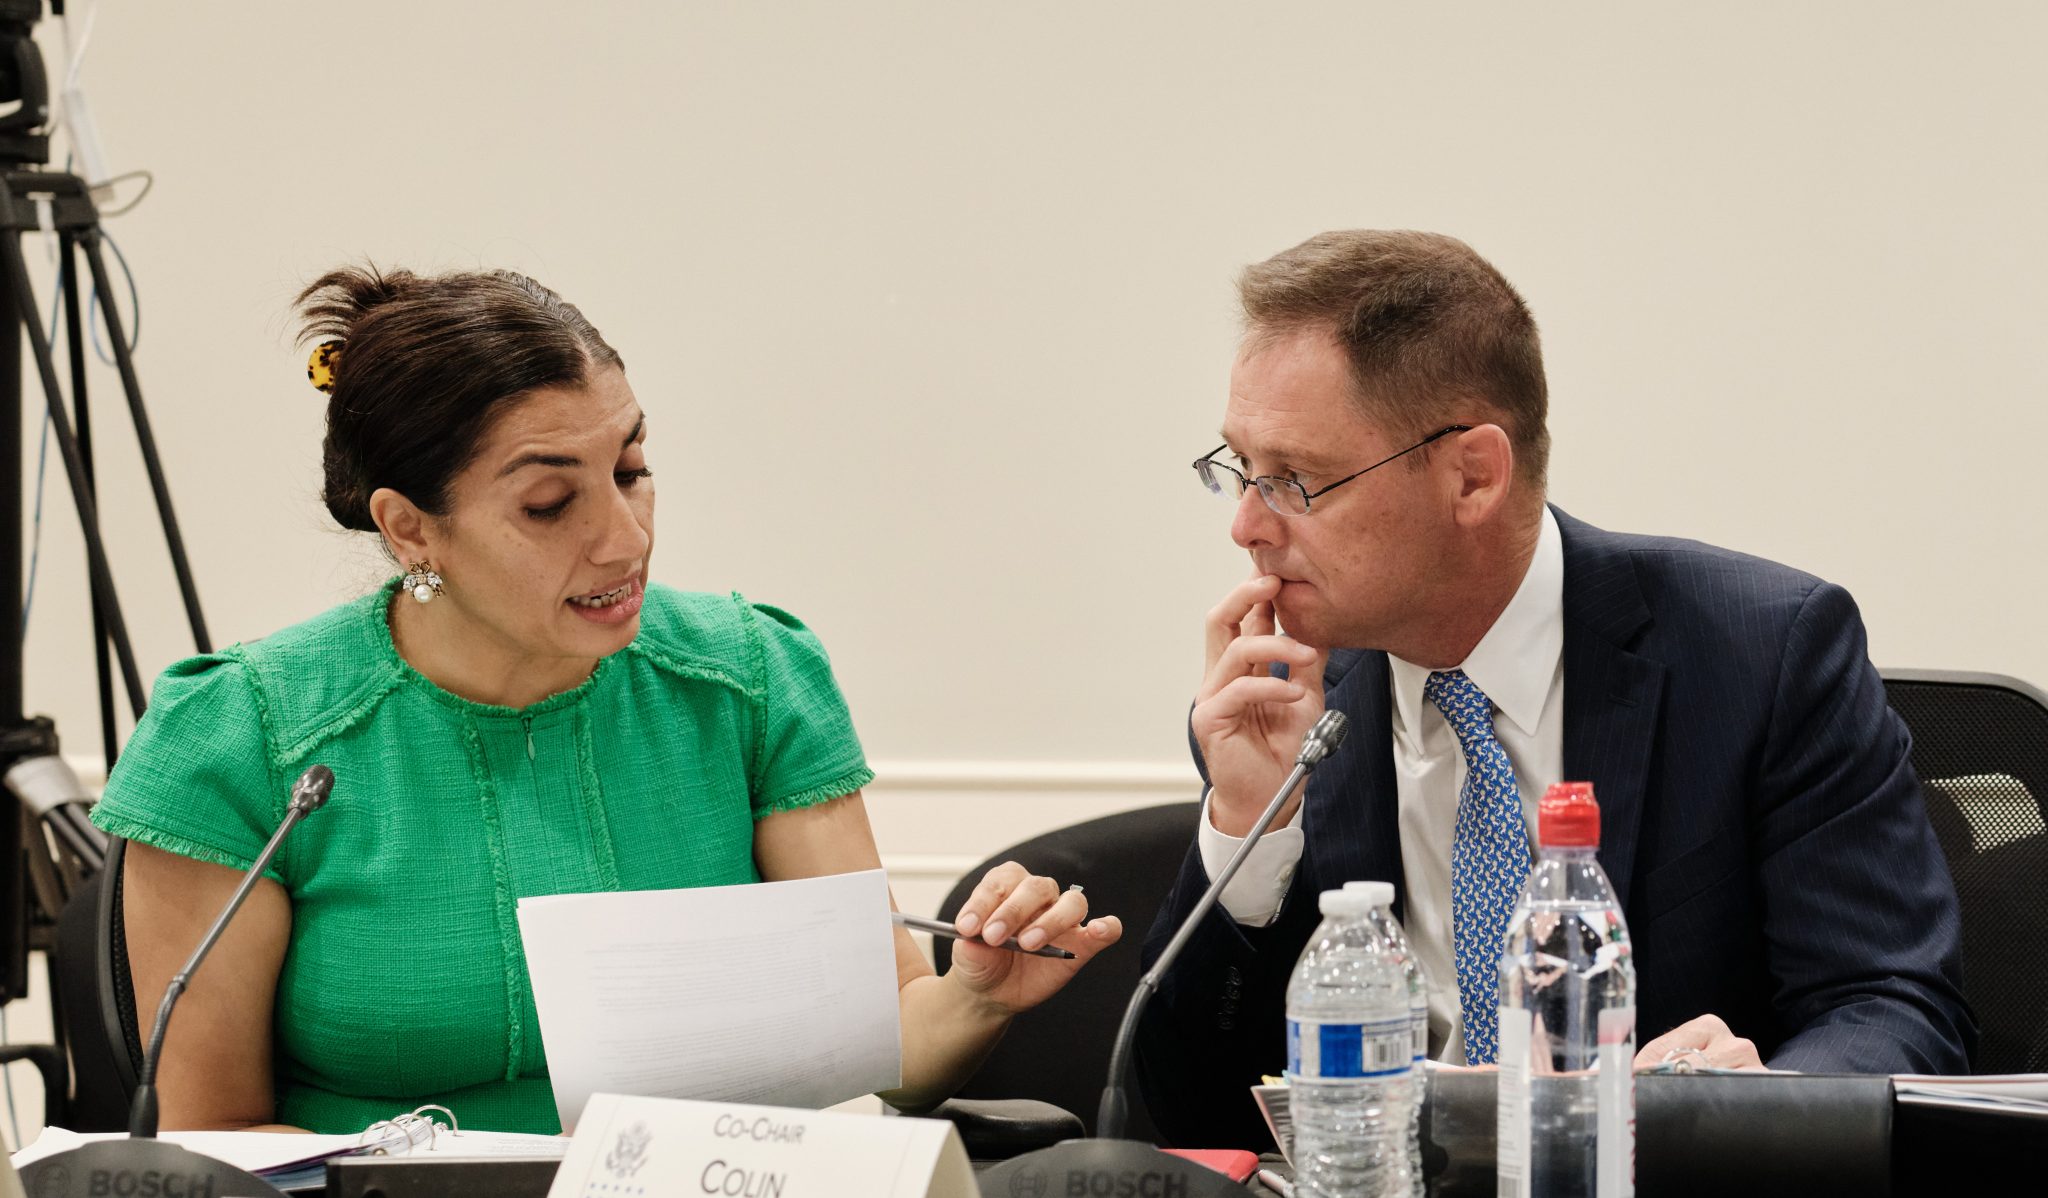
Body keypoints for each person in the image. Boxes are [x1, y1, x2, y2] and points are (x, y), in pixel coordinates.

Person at [91, 265, 1121, 1135]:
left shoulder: (746, 679)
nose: (623, 538)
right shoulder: (242, 737)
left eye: (630, 469)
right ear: (410, 529)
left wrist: (972, 996)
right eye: (548, 503)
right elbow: (214, 1141)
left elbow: (889, 1046)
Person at [1135, 230, 1974, 1149]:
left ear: (1473, 476)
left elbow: (1893, 1005)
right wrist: (1251, 828)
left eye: (1295, 479)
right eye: (1239, 471)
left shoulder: (1760, 654)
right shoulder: (1287, 706)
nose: (1247, 525)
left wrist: (1759, 1105)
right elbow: (1180, 1114)